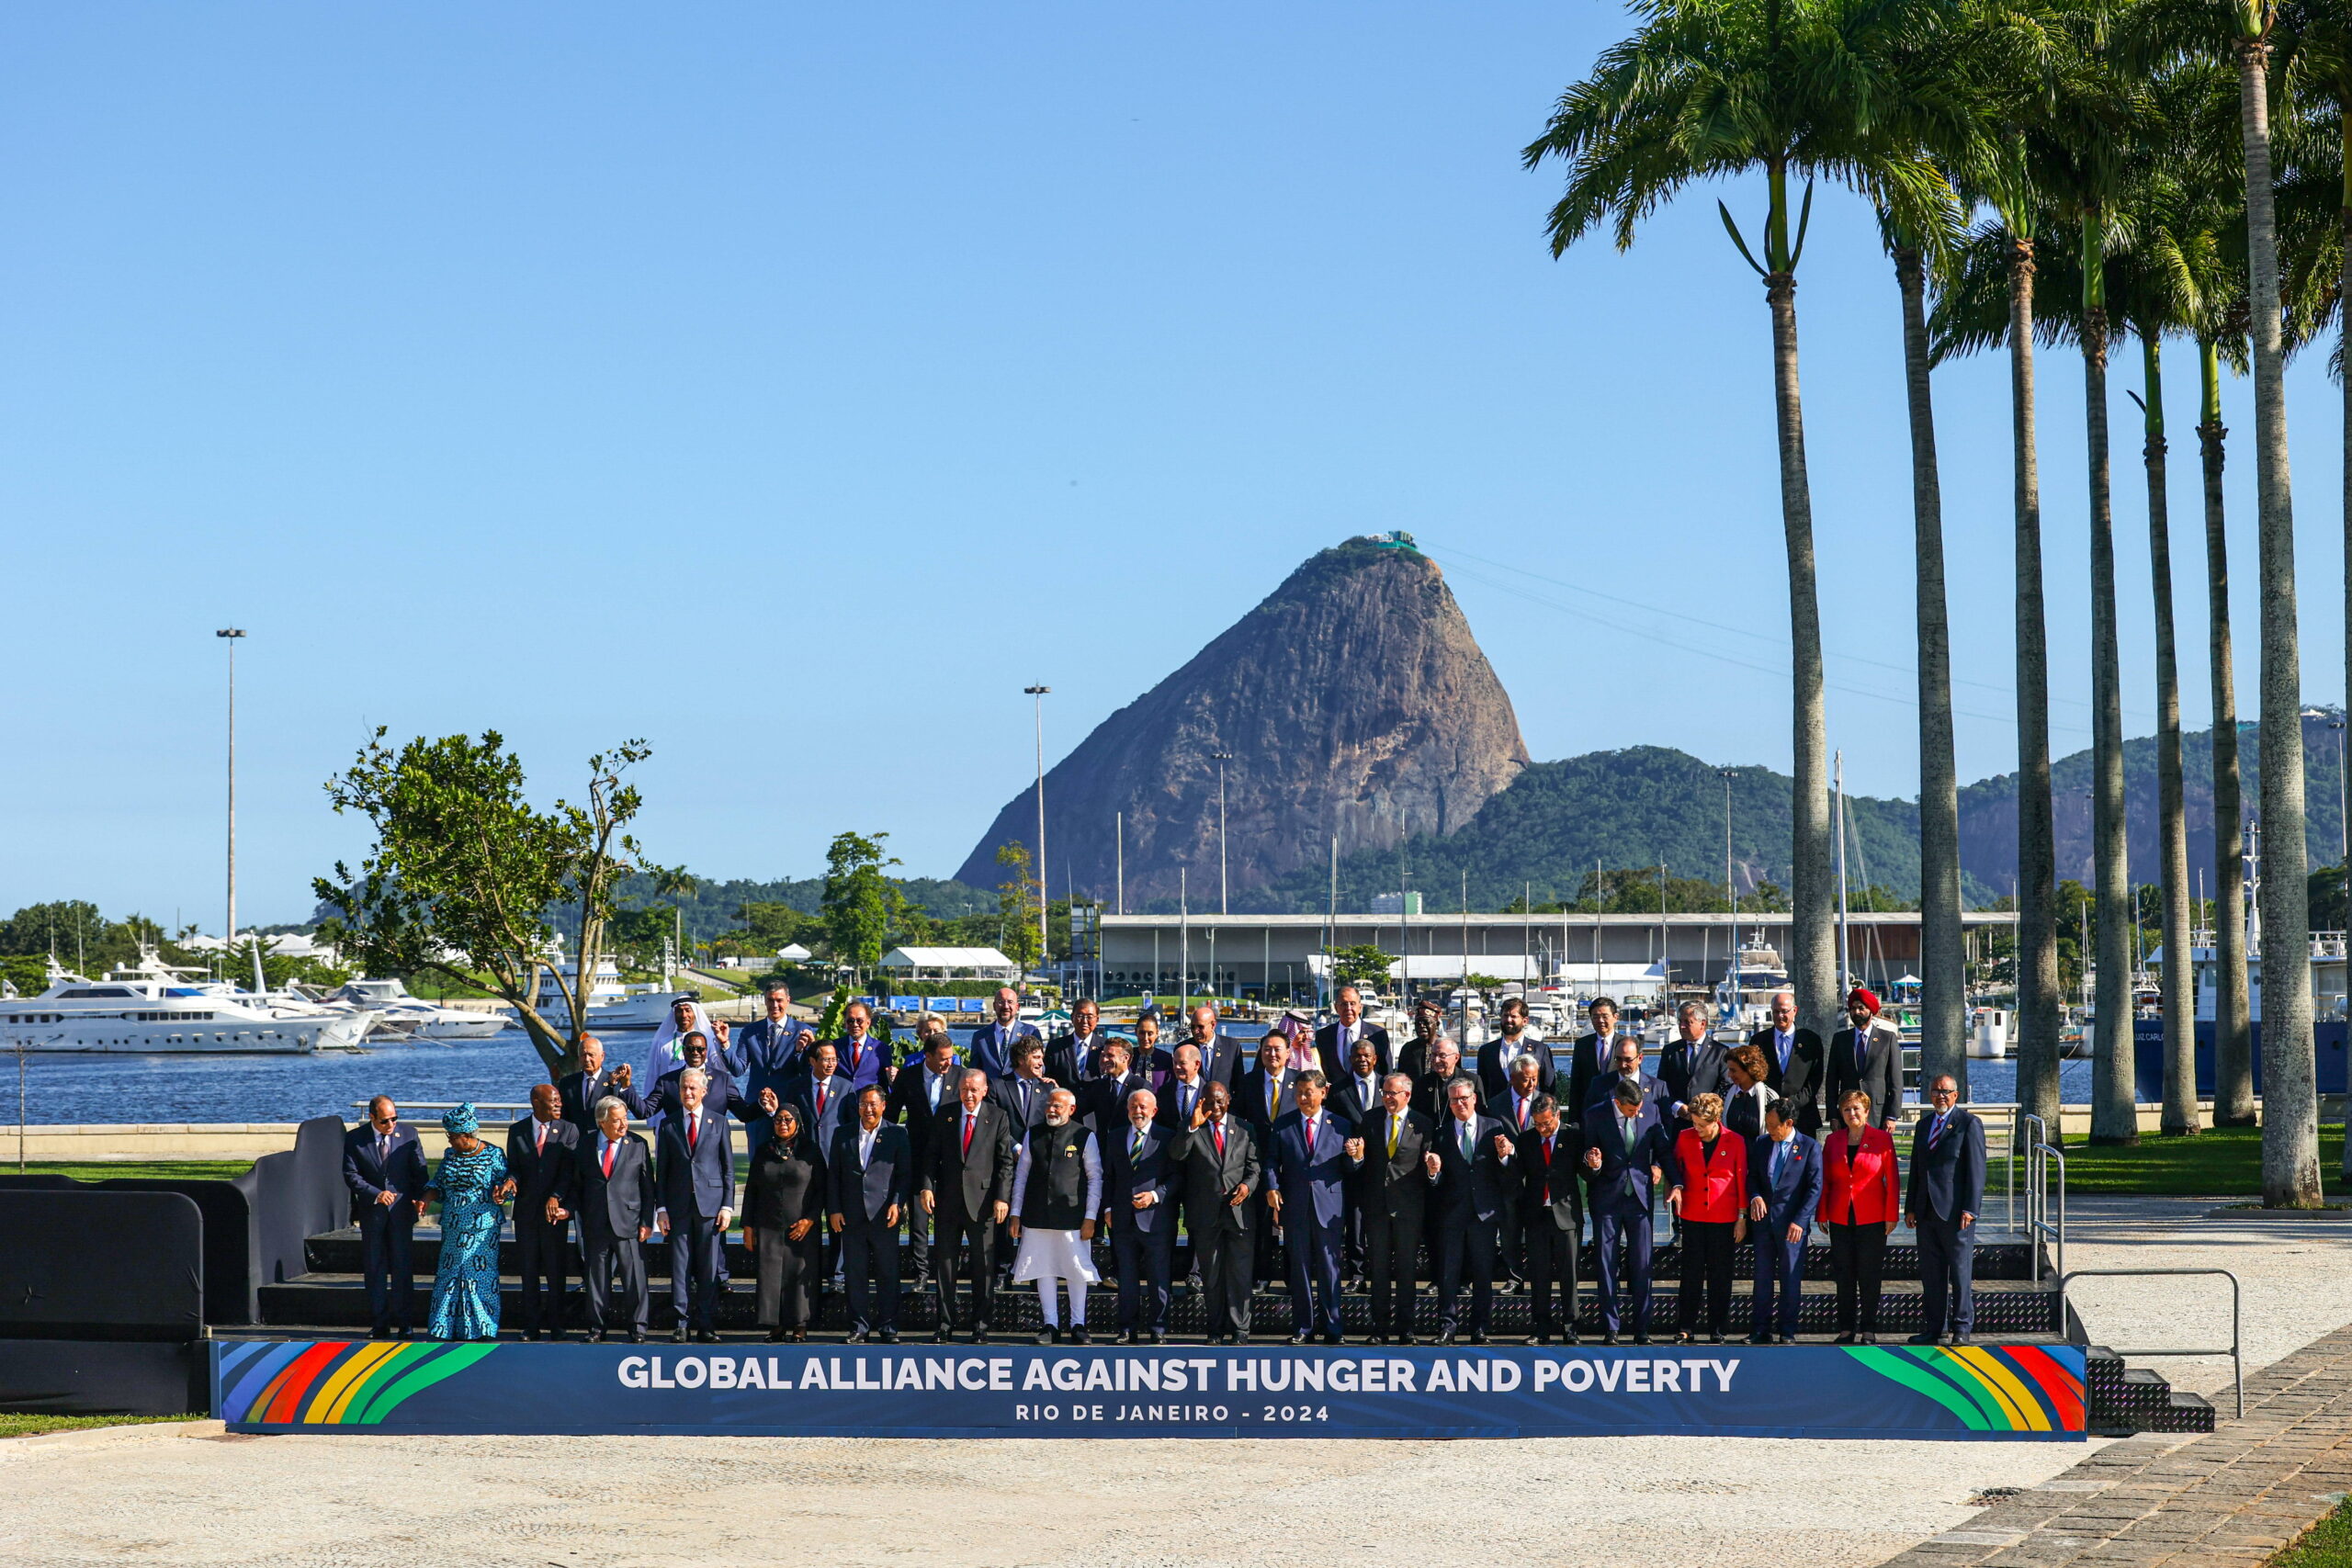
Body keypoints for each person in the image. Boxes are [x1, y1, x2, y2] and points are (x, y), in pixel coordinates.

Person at [921, 1067, 1017, 1342]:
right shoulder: (945, 1114)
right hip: (948, 1203)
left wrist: (1002, 1198)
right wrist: (926, 1187)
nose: (969, 1094)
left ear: (985, 1090)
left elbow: (1005, 1163)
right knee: (945, 1267)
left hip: (983, 1204)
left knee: (983, 1267)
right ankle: (945, 1325)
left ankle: (981, 1326)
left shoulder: (997, 1116)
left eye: (974, 1089)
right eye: (964, 1089)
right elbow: (931, 1155)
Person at [1008, 1087, 1102, 1344]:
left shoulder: (1084, 1136)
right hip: (1037, 1215)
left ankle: (1078, 1324)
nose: (1051, 1109)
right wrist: (1016, 1213)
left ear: (1071, 1109)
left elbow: (1095, 1178)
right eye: (1049, 1104)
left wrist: (1091, 1217)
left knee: (1076, 1270)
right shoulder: (1033, 1134)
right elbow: (1022, 1176)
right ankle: (1051, 1324)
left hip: (1072, 1216)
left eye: (1057, 1106)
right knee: (1043, 1268)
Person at [1427, 1077, 1516, 1345]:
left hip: (1483, 1214)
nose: (1460, 1103)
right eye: (1454, 1099)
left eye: (1464, 1097)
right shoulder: (1441, 1133)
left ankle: (1479, 1328)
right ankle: (1447, 1327)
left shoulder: (1494, 1128)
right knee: (1448, 1273)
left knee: (1483, 1273)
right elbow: (1438, 1180)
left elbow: (1507, 1173)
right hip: (1452, 1214)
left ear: (1474, 1098)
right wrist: (1433, 1173)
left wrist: (1505, 1155)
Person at [1347, 1073, 1431, 1345]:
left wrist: (1433, 1171)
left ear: (1407, 1095)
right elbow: (1359, 1165)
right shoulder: (1370, 1119)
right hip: (1377, 1207)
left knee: (1407, 1271)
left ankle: (1406, 1328)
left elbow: (1429, 1167)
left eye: (1392, 1093)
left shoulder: (1423, 1123)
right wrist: (1357, 1158)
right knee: (1379, 1271)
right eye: (1384, 1092)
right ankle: (1380, 1327)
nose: (1386, 1097)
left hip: (1408, 1209)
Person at [1264, 1070, 1348, 1345]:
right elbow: (1271, 1161)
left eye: (1308, 1092)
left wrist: (1357, 1159)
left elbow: (1351, 1169)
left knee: (1329, 1270)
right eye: (1298, 1092)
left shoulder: (1342, 1125)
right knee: (1298, 1270)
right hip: (1295, 1206)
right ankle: (1304, 1327)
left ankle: (1333, 1328)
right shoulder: (1283, 1124)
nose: (1302, 1097)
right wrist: (1272, 1187)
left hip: (1329, 1206)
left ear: (1323, 1092)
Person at [1583, 1077, 1668, 1344]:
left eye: (1639, 1107)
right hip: (1607, 1199)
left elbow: (1662, 1148)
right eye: (1631, 1110)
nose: (1637, 1113)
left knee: (1642, 1263)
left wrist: (1666, 1173)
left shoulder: (1651, 1110)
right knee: (1607, 1264)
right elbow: (1585, 1156)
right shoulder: (1595, 1115)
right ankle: (1612, 1327)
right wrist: (1592, 1161)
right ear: (1617, 1103)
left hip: (1640, 1199)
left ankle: (1642, 1328)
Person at [653, 1067, 734, 1344]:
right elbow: (660, 1171)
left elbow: (728, 1170)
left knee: (709, 1268)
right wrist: (661, 1208)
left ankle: (707, 1324)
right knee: (680, 1268)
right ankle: (681, 1323)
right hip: (677, 1208)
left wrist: (727, 1207)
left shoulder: (719, 1122)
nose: (688, 1093)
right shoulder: (668, 1124)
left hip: (710, 1207)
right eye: (684, 1088)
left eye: (693, 1088)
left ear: (704, 1091)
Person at [1905, 1073, 1986, 1346]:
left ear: (1955, 1095)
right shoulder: (1923, 1125)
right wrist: (1910, 1208)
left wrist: (1970, 1209)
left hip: (1955, 1213)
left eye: (1945, 1091)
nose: (1940, 1096)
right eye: (1935, 1091)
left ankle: (1961, 1328)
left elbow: (1977, 1170)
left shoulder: (1969, 1124)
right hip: (1926, 1211)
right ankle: (1934, 1328)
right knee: (1931, 1274)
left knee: (1960, 1273)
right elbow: (1917, 1169)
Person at [828, 1086, 910, 1343]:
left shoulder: (897, 1133)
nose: (868, 1109)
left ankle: (888, 1327)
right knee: (855, 1274)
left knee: (888, 1273)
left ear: (883, 1106)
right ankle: (859, 1327)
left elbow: (904, 1174)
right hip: (851, 1216)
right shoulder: (842, 1134)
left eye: (873, 1104)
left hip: (885, 1215)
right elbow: (834, 1176)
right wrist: (834, 1209)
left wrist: (897, 1202)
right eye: (864, 1104)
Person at [424, 1104, 513, 1342]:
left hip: (482, 1227)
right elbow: (438, 1184)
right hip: (453, 1226)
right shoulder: (450, 1155)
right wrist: (426, 1198)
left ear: (466, 1135)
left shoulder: (493, 1155)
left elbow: (508, 1187)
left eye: (452, 1136)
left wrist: (502, 1194)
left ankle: (483, 1328)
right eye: (448, 1136)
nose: (450, 1140)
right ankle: (445, 1327)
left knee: (479, 1276)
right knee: (449, 1274)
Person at [343, 1096, 429, 1340]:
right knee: (375, 1268)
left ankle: (405, 1323)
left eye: (394, 1118)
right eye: (384, 1120)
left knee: (402, 1268)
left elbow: (420, 1171)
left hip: (401, 1213)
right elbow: (350, 1174)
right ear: (372, 1118)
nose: (390, 1124)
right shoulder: (355, 1138)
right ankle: (379, 1323)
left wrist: (421, 1197)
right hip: (373, 1214)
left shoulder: (409, 1134)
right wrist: (376, 1194)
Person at [572, 1096, 657, 1343]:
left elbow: (647, 1187)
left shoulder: (638, 1144)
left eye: (625, 1119)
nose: (623, 1125)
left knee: (634, 1279)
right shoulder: (586, 1145)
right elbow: (578, 1184)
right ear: (602, 1122)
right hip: (596, 1222)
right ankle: (597, 1327)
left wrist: (646, 1221)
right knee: (596, 1279)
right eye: (617, 1121)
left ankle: (638, 1328)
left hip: (629, 1221)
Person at [886, 1027, 965, 1290]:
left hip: (951, 1158)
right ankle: (920, 1273)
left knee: (947, 1217)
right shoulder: (908, 1077)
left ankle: (945, 1271)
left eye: (951, 1057)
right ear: (927, 1056)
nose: (948, 1063)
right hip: (918, 1156)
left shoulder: (960, 1076)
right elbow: (891, 1116)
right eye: (942, 1058)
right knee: (919, 1219)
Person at [1180, 1080, 1259, 1344]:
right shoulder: (1193, 1128)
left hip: (1239, 1213)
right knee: (1211, 1277)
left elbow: (1254, 1167)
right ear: (1201, 1101)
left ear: (1228, 1099)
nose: (1215, 1106)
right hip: (1206, 1215)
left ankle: (1240, 1330)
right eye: (1209, 1101)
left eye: (1219, 1100)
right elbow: (1177, 1155)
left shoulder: (1245, 1128)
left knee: (1240, 1275)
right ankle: (1215, 1330)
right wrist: (1192, 1125)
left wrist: (1247, 1187)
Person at [1821, 1089, 1901, 1344]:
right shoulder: (1833, 1141)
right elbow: (1825, 1181)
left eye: (1856, 1108)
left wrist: (1892, 1215)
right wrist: (1822, 1213)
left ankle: (1868, 1327)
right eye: (1846, 1109)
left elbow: (1894, 1181)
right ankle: (1846, 1328)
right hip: (1840, 1216)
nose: (1852, 1113)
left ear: (1866, 1111)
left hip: (1873, 1217)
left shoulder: (1882, 1139)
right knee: (1844, 1274)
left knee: (1869, 1274)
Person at [1667, 1092, 1747, 1345]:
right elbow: (1674, 1169)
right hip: (1692, 1216)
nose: (1696, 1128)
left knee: (1720, 1275)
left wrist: (1741, 1217)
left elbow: (1742, 1181)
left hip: (1724, 1218)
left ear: (1715, 1120)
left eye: (1701, 1124)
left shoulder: (1735, 1141)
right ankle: (1686, 1327)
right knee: (1690, 1274)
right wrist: (1676, 1187)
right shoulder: (1684, 1137)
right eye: (1694, 1123)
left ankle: (1718, 1328)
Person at [1100, 1086, 1177, 1343]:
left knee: (1158, 1278)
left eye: (1143, 1106)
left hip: (1156, 1220)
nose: (1138, 1111)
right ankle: (1127, 1329)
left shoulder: (1167, 1137)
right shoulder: (1115, 1136)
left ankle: (1158, 1329)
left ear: (1154, 1110)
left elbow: (1177, 1177)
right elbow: (1108, 1176)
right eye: (1133, 1106)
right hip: (1122, 1219)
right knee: (1127, 1278)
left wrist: (1155, 1195)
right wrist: (1108, 1208)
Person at [744, 1105, 822, 1341]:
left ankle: (800, 1325)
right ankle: (775, 1325)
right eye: (778, 1120)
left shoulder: (810, 1151)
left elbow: (822, 1190)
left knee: (797, 1275)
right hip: (768, 1226)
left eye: (788, 1119)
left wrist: (809, 1220)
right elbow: (751, 1191)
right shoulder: (763, 1151)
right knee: (770, 1276)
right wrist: (748, 1227)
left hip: (801, 1227)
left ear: (798, 1122)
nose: (783, 1124)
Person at [505, 1085, 578, 1339]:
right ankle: (532, 1325)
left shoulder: (569, 1130)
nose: (558, 1104)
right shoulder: (517, 1131)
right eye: (553, 1101)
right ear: (536, 1102)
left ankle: (557, 1325)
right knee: (529, 1271)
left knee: (555, 1271)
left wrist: (556, 1197)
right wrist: (510, 1181)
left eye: (559, 1100)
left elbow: (569, 1171)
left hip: (553, 1215)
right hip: (526, 1213)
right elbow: (514, 1167)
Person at [1747, 1097, 1822, 1344]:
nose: (1768, 1129)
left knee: (1790, 1278)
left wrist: (1800, 1221)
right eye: (1766, 1124)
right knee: (1762, 1278)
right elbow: (1753, 1178)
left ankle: (1787, 1331)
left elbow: (1815, 1187)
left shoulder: (1809, 1146)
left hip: (1793, 1226)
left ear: (1788, 1123)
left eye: (1773, 1125)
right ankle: (1760, 1329)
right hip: (1764, 1223)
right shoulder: (1761, 1143)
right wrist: (1755, 1195)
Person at [1516, 1093, 1584, 1344]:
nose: (1542, 1129)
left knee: (1570, 1276)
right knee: (1539, 1275)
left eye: (1547, 1123)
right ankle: (1541, 1328)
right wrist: (1506, 1155)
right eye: (1538, 1124)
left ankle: (1571, 1328)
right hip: (1536, 1215)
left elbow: (1587, 1172)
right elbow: (1516, 1173)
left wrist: (1594, 1164)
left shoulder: (1573, 1136)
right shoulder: (1526, 1140)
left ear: (1558, 1115)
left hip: (1566, 1215)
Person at [729, 984, 813, 1131]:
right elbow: (738, 1070)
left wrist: (803, 1051)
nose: (775, 1005)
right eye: (770, 1000)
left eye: (779, 1000)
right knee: (756, 1153)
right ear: (765, 1001)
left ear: (788, 1000)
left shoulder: (803, 1031)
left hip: (789, 1109)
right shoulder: (750, 1032)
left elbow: (808, 1072)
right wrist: (724, 1045)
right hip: (757, 1108)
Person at [1750, 989, 1826, 1134]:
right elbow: (1753, 1077)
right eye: (1776, 1012)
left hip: (1802, 1117)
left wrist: (1792, 1102)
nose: (1780, 1016)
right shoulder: (1758, 1041)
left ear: (1795, 1011)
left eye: (1784, 1011)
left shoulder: (1810, 1040)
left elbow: (1815, 1080)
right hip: (1767, 1117)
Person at [1826, 987, 1903, 1129]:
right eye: (1853, 1008)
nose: (1856, 1012)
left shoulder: (1887, 1039)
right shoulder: (1840, 1039)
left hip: (1878, 1113)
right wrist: (1833, 1115)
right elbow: (1832, 1081)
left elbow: (1896, 1082)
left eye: (1861, 1008)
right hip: (1847, 1114)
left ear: (1871, 1010)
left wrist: (1892, 1116)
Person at [646, 1032, 753, 1129]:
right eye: (690, 1049)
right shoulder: (667, 1081)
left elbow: (744, 1114)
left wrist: (762, 1104)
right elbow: (645, 1111)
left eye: (700, 1049)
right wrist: (628, 1087)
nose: (695, 1052)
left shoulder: (723, 1080)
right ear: (683, 1050)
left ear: (706, 1051)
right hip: (678, 1147)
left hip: (712, 1148)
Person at [1658, 1000, 1729, 1127]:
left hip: (1709, 1124)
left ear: (1703, 1024)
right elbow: (1661, 1086)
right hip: (1677, 1124)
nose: (1682, 1026)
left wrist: (1705, 1108)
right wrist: (1677, 1106)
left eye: (1687, 1022)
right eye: (1680, 1021)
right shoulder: (1670, 1051)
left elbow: (1725, 1087)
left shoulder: (1720, 1052)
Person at [557, 1036, 641, 1136]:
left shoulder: (615, 1081)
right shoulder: (567, 1083)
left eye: (591, 1055)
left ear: (602, 1056)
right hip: (574, 1143)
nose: (587, 1059)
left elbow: (620, 1108)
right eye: (583, 1055)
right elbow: (563, 1117)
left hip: (603, 1141)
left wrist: (613, 1085)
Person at [1476, 996, 1555, 1100]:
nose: (1508, 1020)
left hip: (1531, 1112)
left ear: (1525, 1021)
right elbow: (1482, 1088)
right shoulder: (1486, 1051)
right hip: (1496, 1113)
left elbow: (1549, 1087)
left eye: (1513, 1016)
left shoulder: (1541, 1050)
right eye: (1505, 1015)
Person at [1566, 996, 1628, 1119]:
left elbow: (1634, 1081)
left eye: (1605, 1016)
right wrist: (1574, 1121)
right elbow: (1576, 1086)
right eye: (1595, 1017)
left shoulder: (1626, 1044)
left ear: (1615, 1017)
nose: (1600, 1020)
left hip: (1619, 1114)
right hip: (1589, 1115)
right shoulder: (1582, 1045)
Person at [1314, 985, 1393, 1079]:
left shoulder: (1377, 1034)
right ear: (1336, 1007)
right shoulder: (1323, 1036)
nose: (1348, 1008)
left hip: (1368, 1091)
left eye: (1352, 1003)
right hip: (1336, 1093)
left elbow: (1387, 1070)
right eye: (1343, 1004)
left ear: (1360, 1007)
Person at [788, 1040, 854, 1153]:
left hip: (834, 1153)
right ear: (813, 1061)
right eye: (826, 1060)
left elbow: (852, 1123)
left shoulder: (846, 1088)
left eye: (834, 1060)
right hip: (804, 1153)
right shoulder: (796, 1087)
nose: (831, 1064)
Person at [1587, 1035, 1670, 1119]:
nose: (1623, 1065)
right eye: (1618, 1059)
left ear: (1640, 1058)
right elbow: (1589, 1119)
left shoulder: (1658, 1088)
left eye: (1628, 1060)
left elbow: (1666, 1123)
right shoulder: (1599, 1084)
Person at [644, 996, 719, 1088]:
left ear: (695, 1013)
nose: (684, 1015)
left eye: (688, 1010)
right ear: (674, 1014)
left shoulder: (707, 1041)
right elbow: (653, 1076)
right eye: (679, 1011)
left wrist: (723, 1043)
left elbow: (720, 1068)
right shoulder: (662, 1044)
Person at [968, 986, 1041, 1079]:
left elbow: (1040, 1065)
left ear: (1017, 1006)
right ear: (994, 1006)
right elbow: (974, 1070)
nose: (1006, 1006)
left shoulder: (1031, 1032)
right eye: (1001, 1002)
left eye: (1010, 1002)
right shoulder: (980, 1037)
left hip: (1020, 1091)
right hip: (990, 1092)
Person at [1046, 998, 1114, 1087]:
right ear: (1072, 1018)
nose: (1084, 1021)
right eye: (1080, 1016)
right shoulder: (1056, 1047)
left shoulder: (1106, 1047)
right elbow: (1047, 1077)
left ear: (1097, 1019)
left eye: (1089, 1017)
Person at [830, 1001, 894, 1095]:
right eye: (850, 1021)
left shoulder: (881, 1049)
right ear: (845, 1023)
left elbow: (885, 1082)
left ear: (868, 1023)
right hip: (841, 1104)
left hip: (868, 1105)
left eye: (859, 1021)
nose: (855, 1024)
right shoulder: (834, 1047)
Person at [993, 1038, 1056, 1133]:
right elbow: (994, 1123)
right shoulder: (997, 1086)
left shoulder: (1047, 1087)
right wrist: (1016, 1147)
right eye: (1036, 1057)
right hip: (1008, 1146)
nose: (1041, 1063)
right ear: (1021, 1060)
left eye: (1041, 1058)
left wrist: (1059, 1093)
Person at [1413, 1038, 1482, 1122]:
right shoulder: (1422, 1083)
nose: (1436, 1060)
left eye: (1442, 1056)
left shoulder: (1473, 1080)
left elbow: (1481, 1114)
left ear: (1456, 1057)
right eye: (1434, 1055)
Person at [1177, 1002, 1240, 1090]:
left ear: (1213, 1025)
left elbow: (1239, 1082)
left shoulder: (1231, 1046)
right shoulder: (1183, 1048)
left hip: (1222, 1102)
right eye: (1192, 1027)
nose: (1195, 1031)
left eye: (1200, 1027)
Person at [1721, 1044, 1776, 1141]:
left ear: (1749, 1070)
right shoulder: (1725, 1094)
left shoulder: (1769, 1097)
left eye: (1733, 1071)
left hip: (1759, 1153)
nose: (1729, 1075)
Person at [1155, 1044, 1212, 1132]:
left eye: (1182, 1063)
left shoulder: (1209, 1091)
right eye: (1175, 1063)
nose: (1177, 1067)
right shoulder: (1164, 1091)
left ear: (1197, 1064)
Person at [1396, 997, 1446, 1079]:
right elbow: (1401, 1077)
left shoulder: (1447, 1047)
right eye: (1418, 1023)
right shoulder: (1408, 1049)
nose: (1422, 1026)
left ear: (1436, 1025)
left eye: (1426, 1023)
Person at [1128, 1013, 1174, 1093]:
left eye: (1150, 1034)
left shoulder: (1166, 1059)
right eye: (1142, 1033)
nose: (1146, 1038)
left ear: (1157, 1033)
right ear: (1136, 1032)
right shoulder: (1127, 1057)